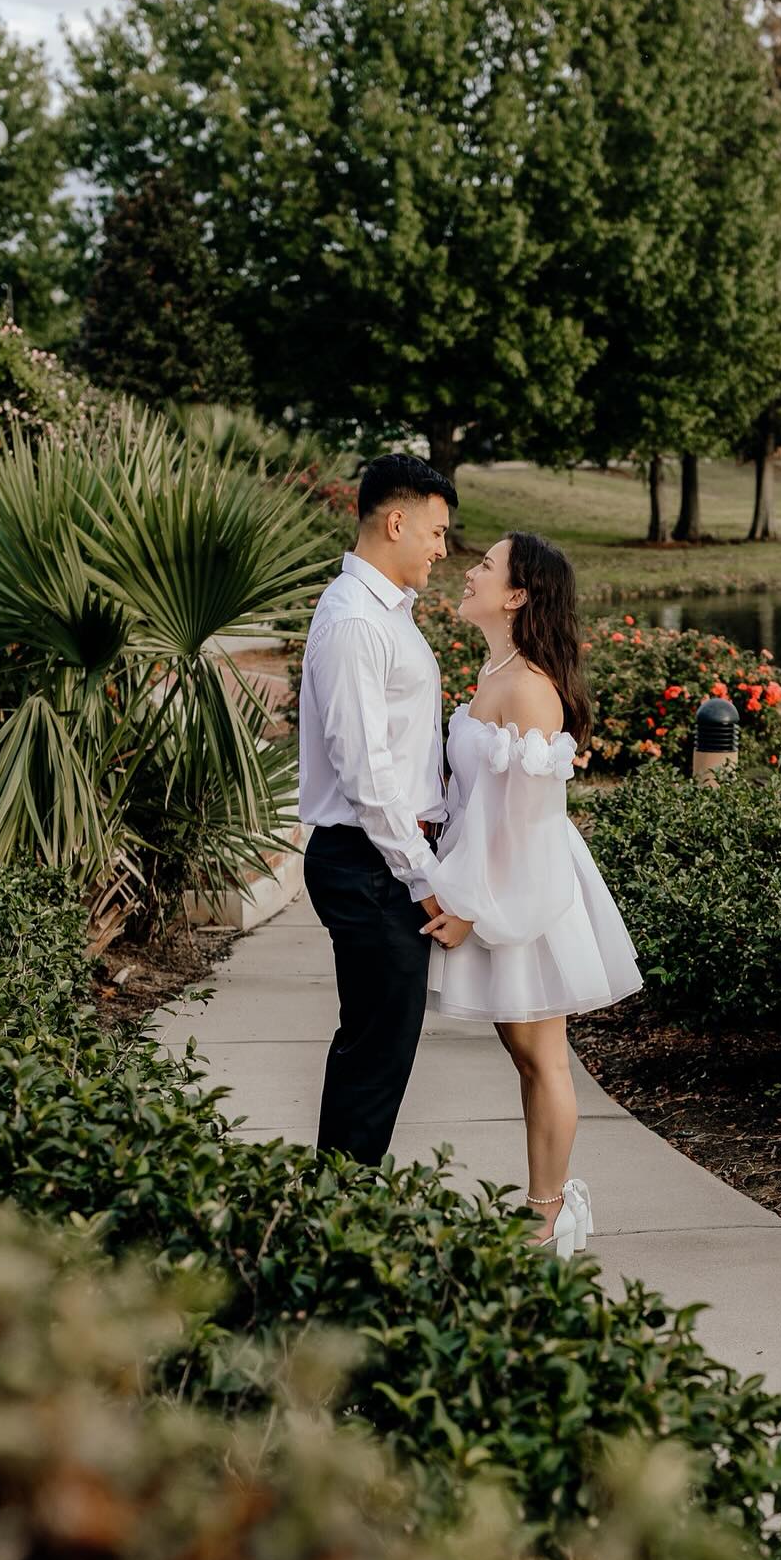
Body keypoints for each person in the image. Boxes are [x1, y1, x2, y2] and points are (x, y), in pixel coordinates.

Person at [422, 532, 642, 1256]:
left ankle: (548, 1214)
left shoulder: (527, 689)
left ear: (517, 595)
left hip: (526, 888)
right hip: (493, 873)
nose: (468, 572)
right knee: (525, 1053)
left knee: (543, 1056)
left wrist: (470, 908)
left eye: (484, 566)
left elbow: (520, 823)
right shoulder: (497, 669)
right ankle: (548, 1204)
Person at [298, 453, 458, 1165]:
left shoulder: (385, 614)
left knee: (380, 1050)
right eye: (437, 531)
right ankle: (336, 1228)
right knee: (374, 1056)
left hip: (379, 862)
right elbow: (368, 774)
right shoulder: (355, 622)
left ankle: (339, 1219)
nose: (442, 548)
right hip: (369, 865)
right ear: (398, 521)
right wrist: (422, 878)